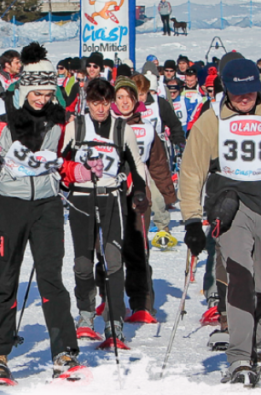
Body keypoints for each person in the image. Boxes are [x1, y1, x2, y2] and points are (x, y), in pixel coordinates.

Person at [179, 58, 261, 386]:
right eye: (237, 92)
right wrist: (192, 220)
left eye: (250, 90)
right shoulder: (211, 120)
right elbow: (192, 172)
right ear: (226, 90)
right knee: (239, 279)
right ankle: (239, 357)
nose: (244, 97)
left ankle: (258, 345)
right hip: (231, 209)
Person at [0, 42, 82, 385]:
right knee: (3, 279)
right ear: (24, 86)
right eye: (37, 92)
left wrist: (78, 170)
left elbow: (63, 161)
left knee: (51, 279)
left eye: (49, 93)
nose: (43, 99)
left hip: (47, 204)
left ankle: (64, 352)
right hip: (9, 203)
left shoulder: (60, 116)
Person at [61, 77, 146, 348]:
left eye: (106, 102)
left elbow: (137, 164)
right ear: (87, 102)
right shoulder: (75, 127)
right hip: (81, 198)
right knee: (83, 263)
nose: (101, 108)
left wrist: (140, 191)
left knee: (113, 261)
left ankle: (114, 322)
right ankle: (86, 315)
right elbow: (59, 161)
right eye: (96, 102)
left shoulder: (122, 129)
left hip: (111, 198)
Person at [110, 77, 177, 322]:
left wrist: (168, 194)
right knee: (108, 248)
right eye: (119, 97)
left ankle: (142, 303)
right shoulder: (104, 125)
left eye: (129, 97)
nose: (124, 102)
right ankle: (108, 299)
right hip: (109, 194)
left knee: (137, 248)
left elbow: (158, 163)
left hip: (139, 195)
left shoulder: (147, 129)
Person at [133, 74, 185, 237]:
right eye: (136, 94)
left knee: (156, 192)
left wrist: (179, 142)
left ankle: (163, 226)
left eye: (142, 94)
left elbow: (174, 124)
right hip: (133, 154)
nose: (139, 98)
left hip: (156, 152)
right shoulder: (126, 106)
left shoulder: (159, 104)